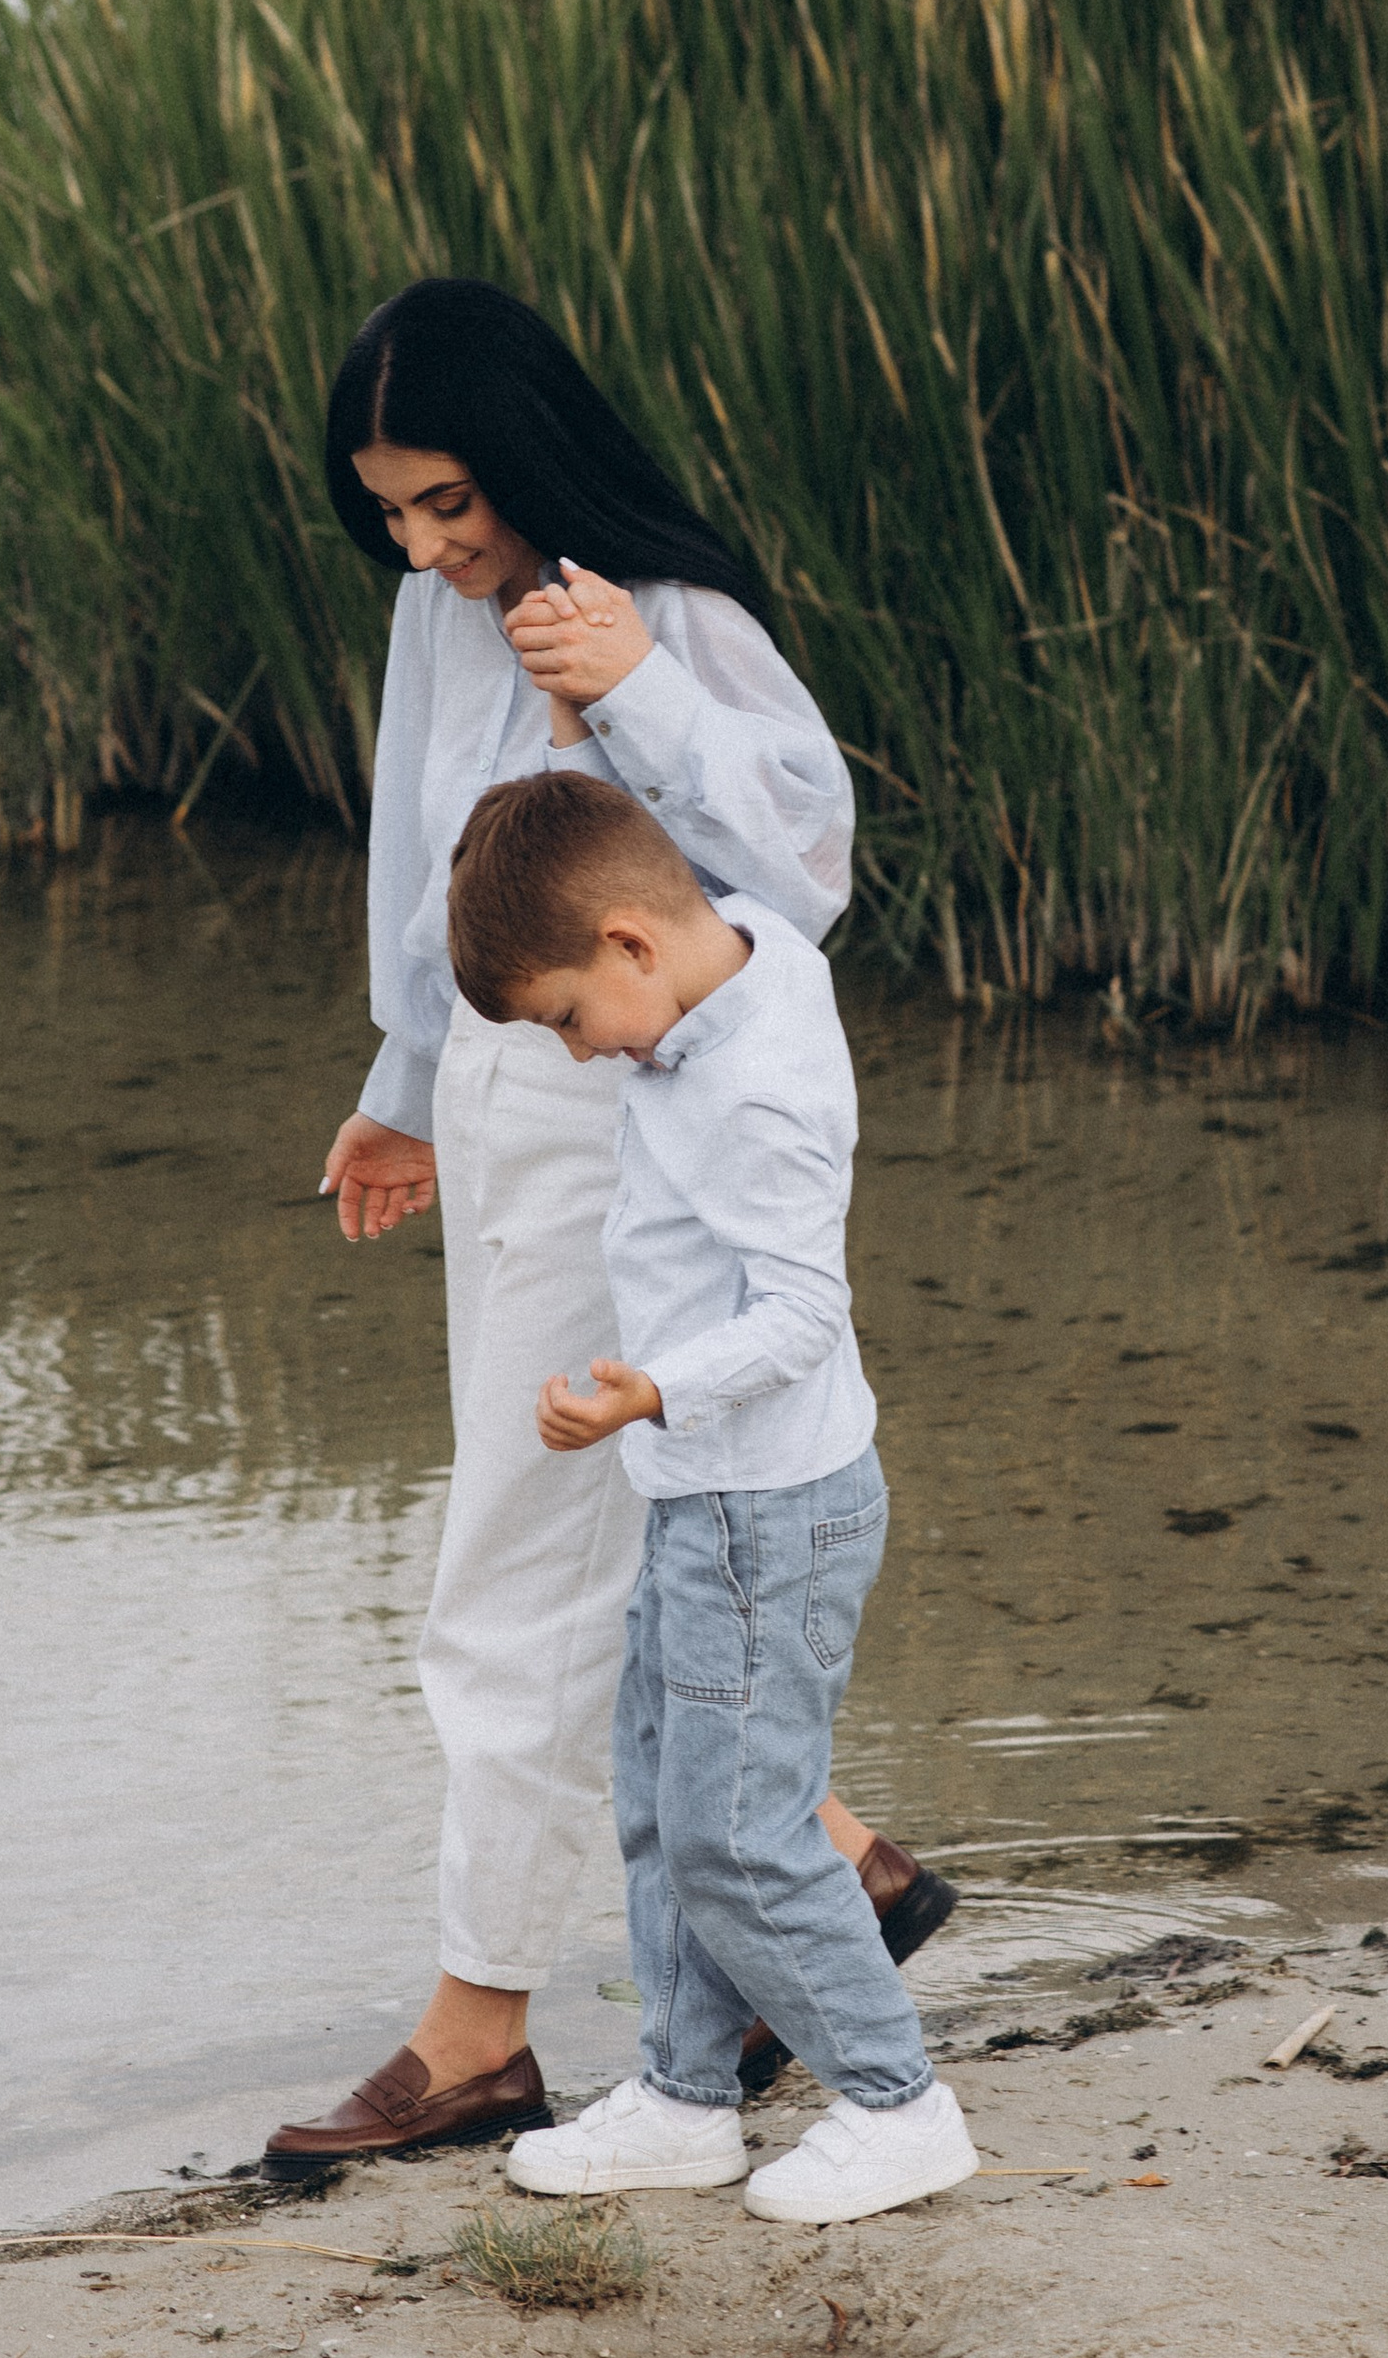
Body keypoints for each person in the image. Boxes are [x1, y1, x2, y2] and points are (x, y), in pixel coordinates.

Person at [264, 278, 952, 2170]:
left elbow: (798, 870)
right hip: (498, 1093)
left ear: (528, 455)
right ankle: (828, 1862)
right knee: (589, 1554)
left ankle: (480, 2029)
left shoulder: (674, 617)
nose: (424, 543)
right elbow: (427, 859)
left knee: (521, 1562)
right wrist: (403, 1086)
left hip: (621, 1103)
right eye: (392, 511)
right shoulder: (435, 613)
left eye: (448, 501)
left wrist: (633, 688)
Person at [449, 769, 978, 2224]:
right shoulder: (738, 953)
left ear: (630, 947)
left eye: (566, 1019)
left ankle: (898, 2103)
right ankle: (686, 2098)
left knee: (742, 1828)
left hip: (768, 1508)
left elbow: (805, 1310)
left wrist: (649, 1390)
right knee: (661, 1804)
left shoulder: (755, 1087)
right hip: (703, 1501)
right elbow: (689, 866)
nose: (574, 1055)